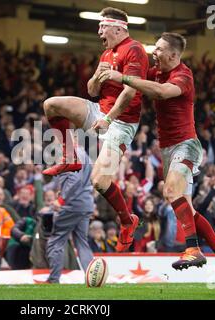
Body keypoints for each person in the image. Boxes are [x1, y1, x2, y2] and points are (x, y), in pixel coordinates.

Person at [98, 32, 215, 289]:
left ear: (174, 55)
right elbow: (138, 86)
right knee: (184, 208)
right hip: (168, 149)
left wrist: (125, 77)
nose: (155, 52)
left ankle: (193, 249)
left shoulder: (183, 75)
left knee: (171, 191)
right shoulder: (155, 73)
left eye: (160, 49)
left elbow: (162, 93)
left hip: (186, 144)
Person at [42, 7, 149, 252]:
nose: (99, 30)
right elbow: (91, 91)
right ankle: (70, 158)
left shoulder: (135, 49)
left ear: (119, 28)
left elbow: (130, 92)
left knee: (100, 182)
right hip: (99, 111)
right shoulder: (106, 54)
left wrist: (109, 119)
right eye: (99, 26)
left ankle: (127, 220)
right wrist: (97, 78)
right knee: (51, 105)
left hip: (121, 121)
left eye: (103, 26)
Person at [46, 146, 95, 283]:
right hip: (85, 203)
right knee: (82, 243)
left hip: (72, 204)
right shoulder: (84, 153)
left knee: (56, 240)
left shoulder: (71, 153)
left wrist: (61, 200)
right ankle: (92, 278)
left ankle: (54, 279)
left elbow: (74, 180)